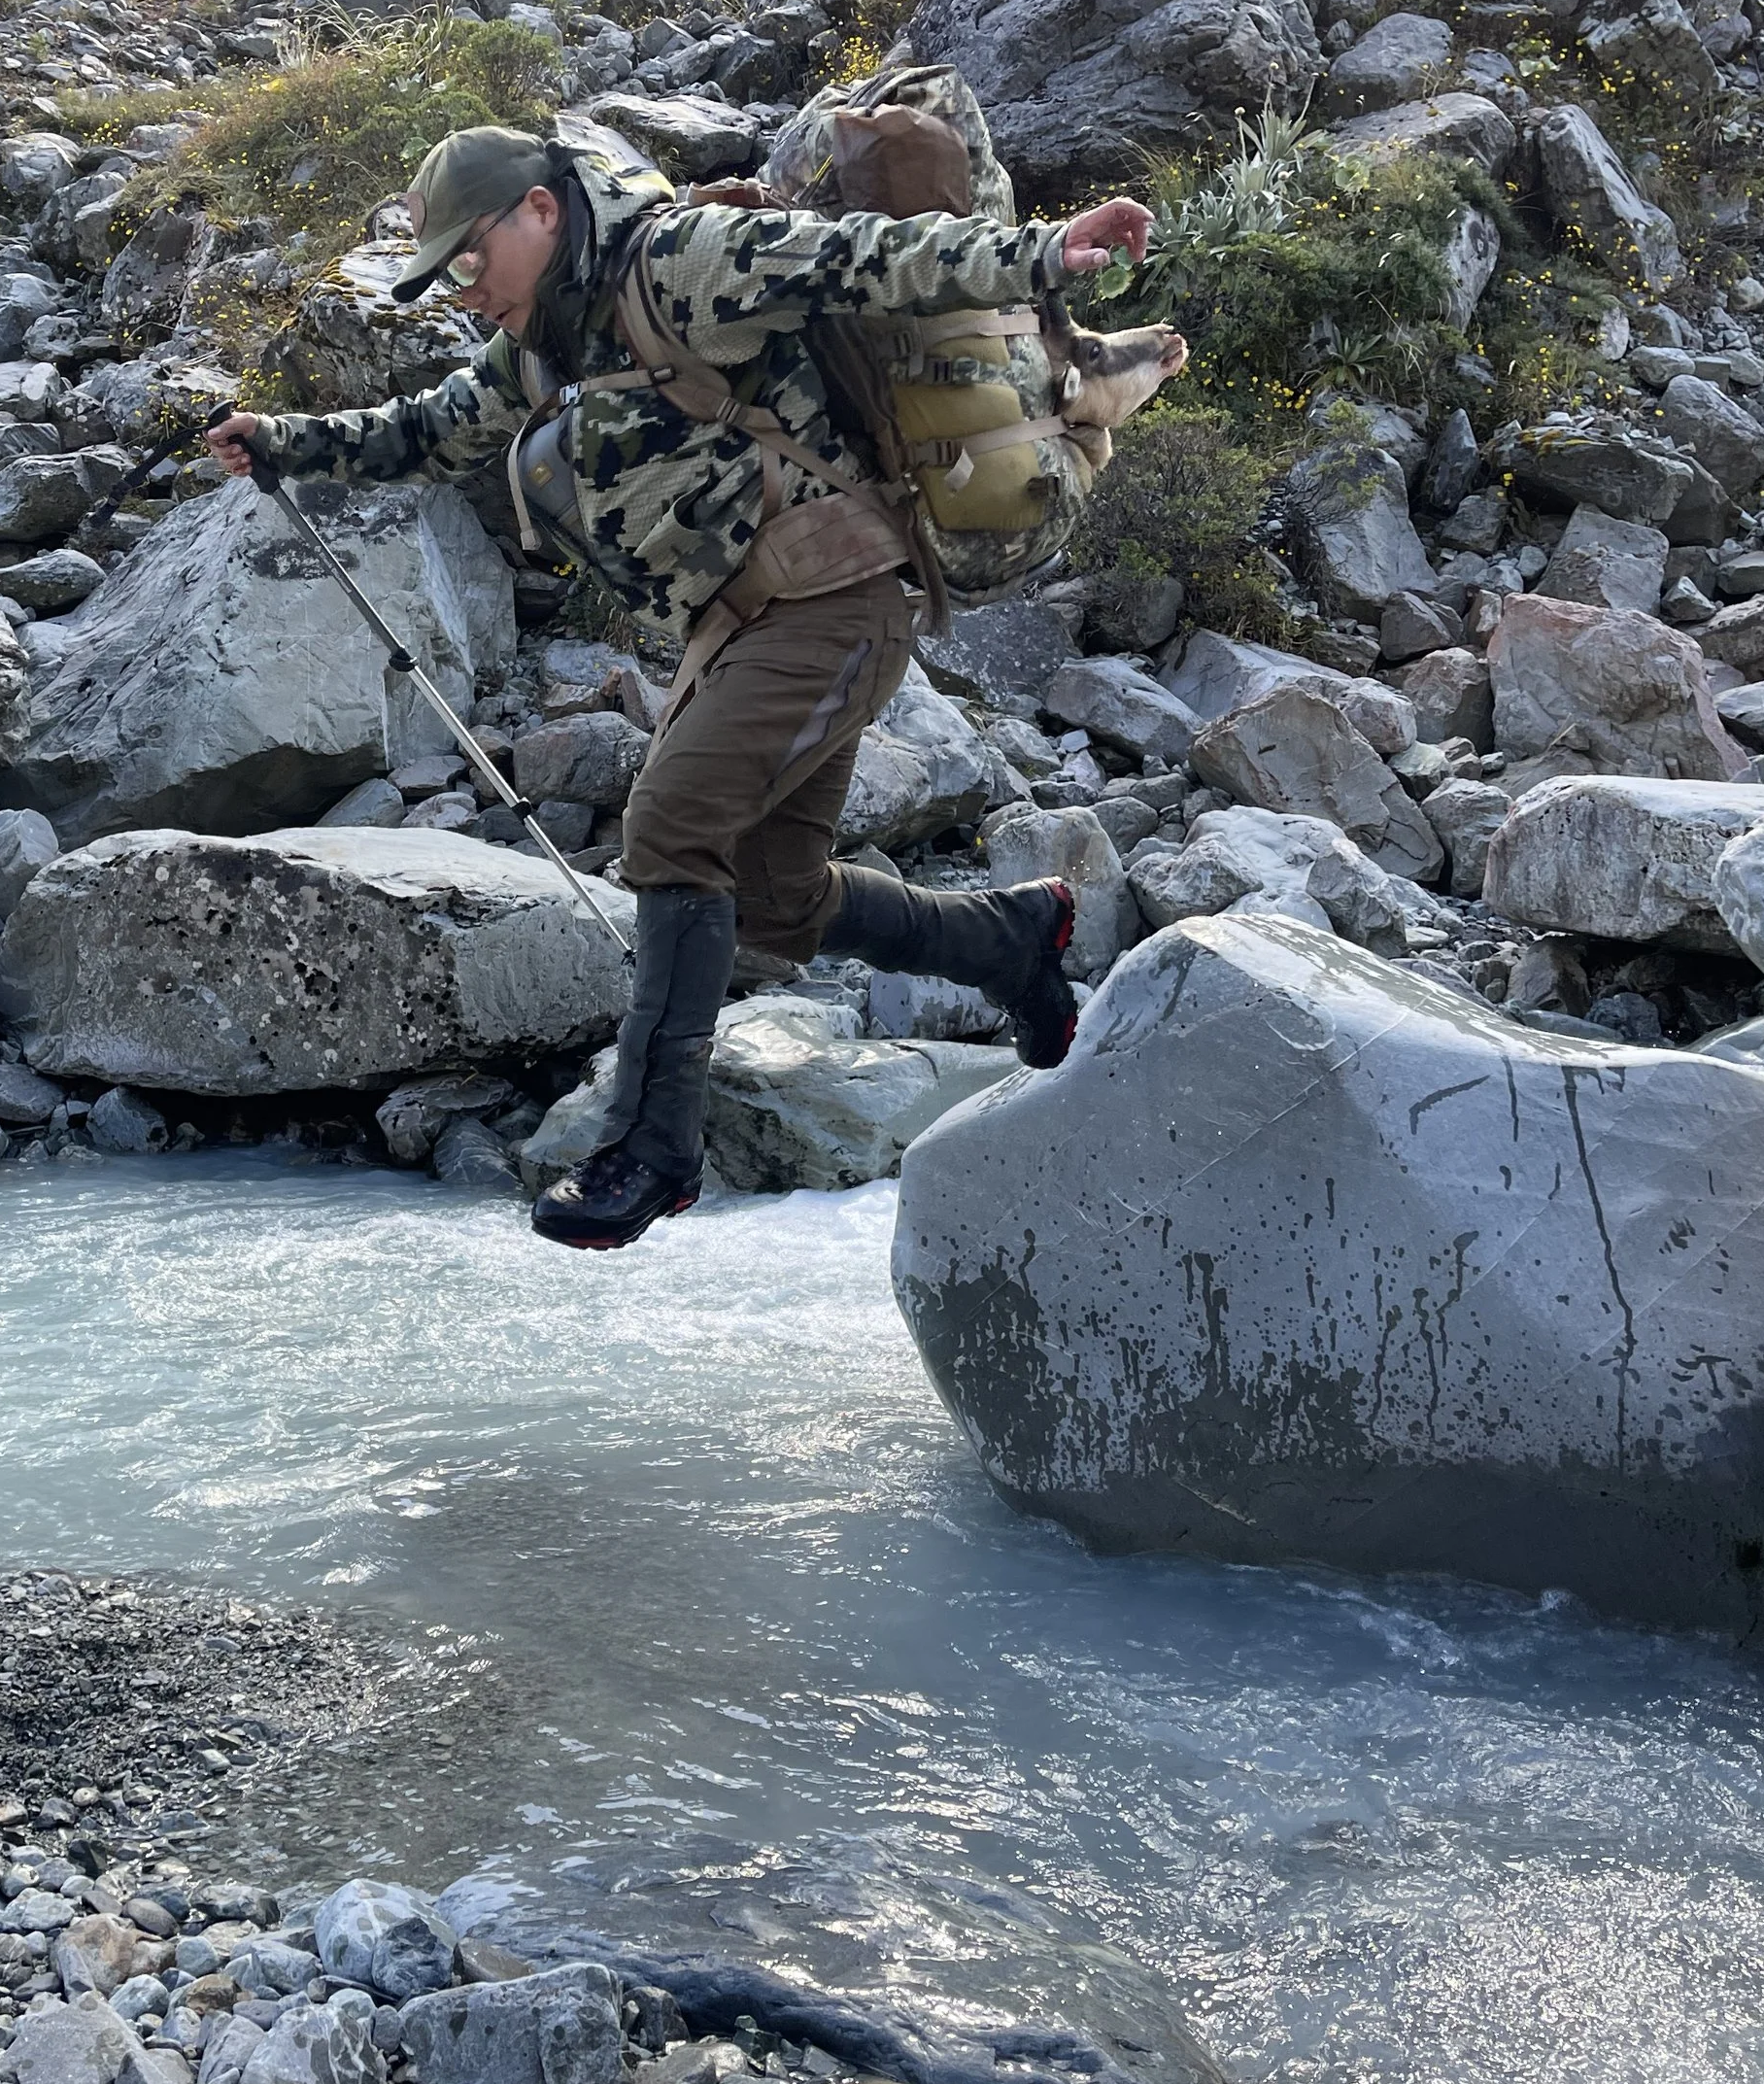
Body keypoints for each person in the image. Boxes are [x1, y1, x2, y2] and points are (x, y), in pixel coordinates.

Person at [206, 99, 1153, 1251]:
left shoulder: (679, 260)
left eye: (468, 259)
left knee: (668, 826)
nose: (463, 289)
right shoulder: (545, 341)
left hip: (832, 601)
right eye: (443, 277)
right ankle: (1011, 942)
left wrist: (1047, 252)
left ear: (540, 212)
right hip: (746, 628)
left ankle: (649, 1149)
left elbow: (869, 260)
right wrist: (286, 441)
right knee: (769, 897)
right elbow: (429, 428)